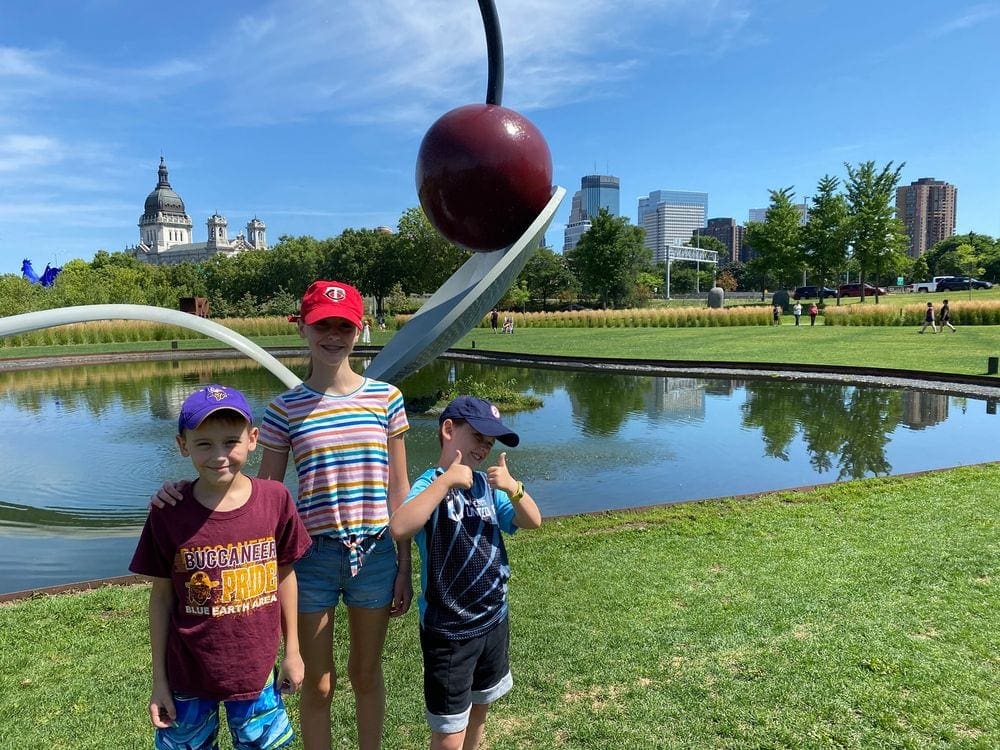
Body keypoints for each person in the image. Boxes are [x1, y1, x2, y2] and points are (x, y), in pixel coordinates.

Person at [152, 280, 412, 750]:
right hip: (310, 560)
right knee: (318, 684)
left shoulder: (386, 399)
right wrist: (184, 492)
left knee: (366, 675)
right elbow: (259, 493)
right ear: (303, 330)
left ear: (359, 329)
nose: (332, 336)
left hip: (374, 556)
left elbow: (400, 491)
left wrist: (404, 562)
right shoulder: (283, 409)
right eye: (321, 326)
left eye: (343, 326)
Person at [131, 384, 312, 750]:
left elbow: (285, 575)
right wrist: (159, 681)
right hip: (187, 676)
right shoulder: (168, 512)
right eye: (203, 444)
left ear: (253, 439)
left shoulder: (275, 500)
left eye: (231, 441)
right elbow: (162, 599)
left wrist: (293, 650)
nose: (219, 456)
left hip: (257, 672)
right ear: (183, 445)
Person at [390, 396, 542, 750]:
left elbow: (532, 521)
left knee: (479, 711)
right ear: (448, 430)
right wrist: (444, 484)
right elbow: (400, 526)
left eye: (489, 444)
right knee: (448, 731)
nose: (483, 449)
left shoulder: (487, 486)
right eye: (477, 437)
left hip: (492, 621)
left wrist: (514, 488)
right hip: (450, 631)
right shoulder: (429, 484)